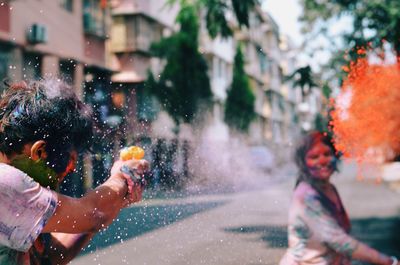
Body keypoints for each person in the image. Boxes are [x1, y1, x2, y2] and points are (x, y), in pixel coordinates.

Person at [0, 79, 149, 265]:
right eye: (69, 161)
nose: (72, 169)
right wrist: (121, 176)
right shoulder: (6, 183)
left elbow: (49, 257)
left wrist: (117, 198)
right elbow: (94, 214)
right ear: (39, 152)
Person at [280, 131, 398, 265]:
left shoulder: (329, 188)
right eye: (314, 157)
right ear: (303, 163)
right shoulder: (307, 196)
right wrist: (388, 262)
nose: (323, 161)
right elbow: (339, 241)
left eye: (327, 154)